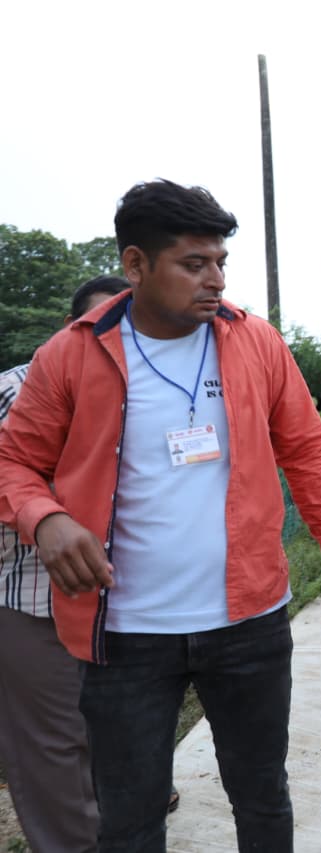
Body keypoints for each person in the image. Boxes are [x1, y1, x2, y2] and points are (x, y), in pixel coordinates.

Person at [0, 179, 321, 853]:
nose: (215, 280)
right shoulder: (72, 354)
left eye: (220, 262)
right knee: (130, 817)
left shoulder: (255, 342)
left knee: (262, 795)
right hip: (125, 633)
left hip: (249, 622)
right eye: (194, 264)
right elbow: (14, 460)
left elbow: (305, 446)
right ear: (136, 264)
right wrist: (45, 517)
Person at [0, 275, 129, 853]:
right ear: (69, 329)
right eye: (98, 326)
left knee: (116, 733)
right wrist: (45, 516)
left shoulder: (145, 387)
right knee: (52, 748)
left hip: (126, 603)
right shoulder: (15, 389)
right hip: (34, 600)